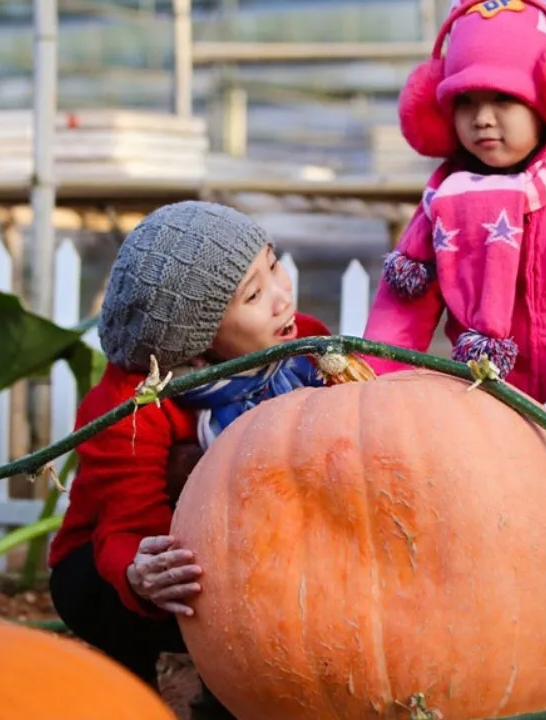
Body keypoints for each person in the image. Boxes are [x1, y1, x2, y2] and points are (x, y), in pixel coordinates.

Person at [361, 0, 546, 701]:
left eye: (504, 99)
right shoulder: (444, 204)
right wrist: (365, 386)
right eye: (466, 101)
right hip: (490, 418)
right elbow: (404, 311)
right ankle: (513, 672)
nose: (483, 118)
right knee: (499, 553)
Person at [48, 201, 330, 719]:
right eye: (254, 293)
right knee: (115, 587)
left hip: (251, 554)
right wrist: (141, 571)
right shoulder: (133, 405)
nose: (282, 296)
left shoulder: (308, 352)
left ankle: (227, 695)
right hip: (123, 563)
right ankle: (130, 685)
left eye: (273, 265)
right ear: (196, 344)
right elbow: (125, 525)